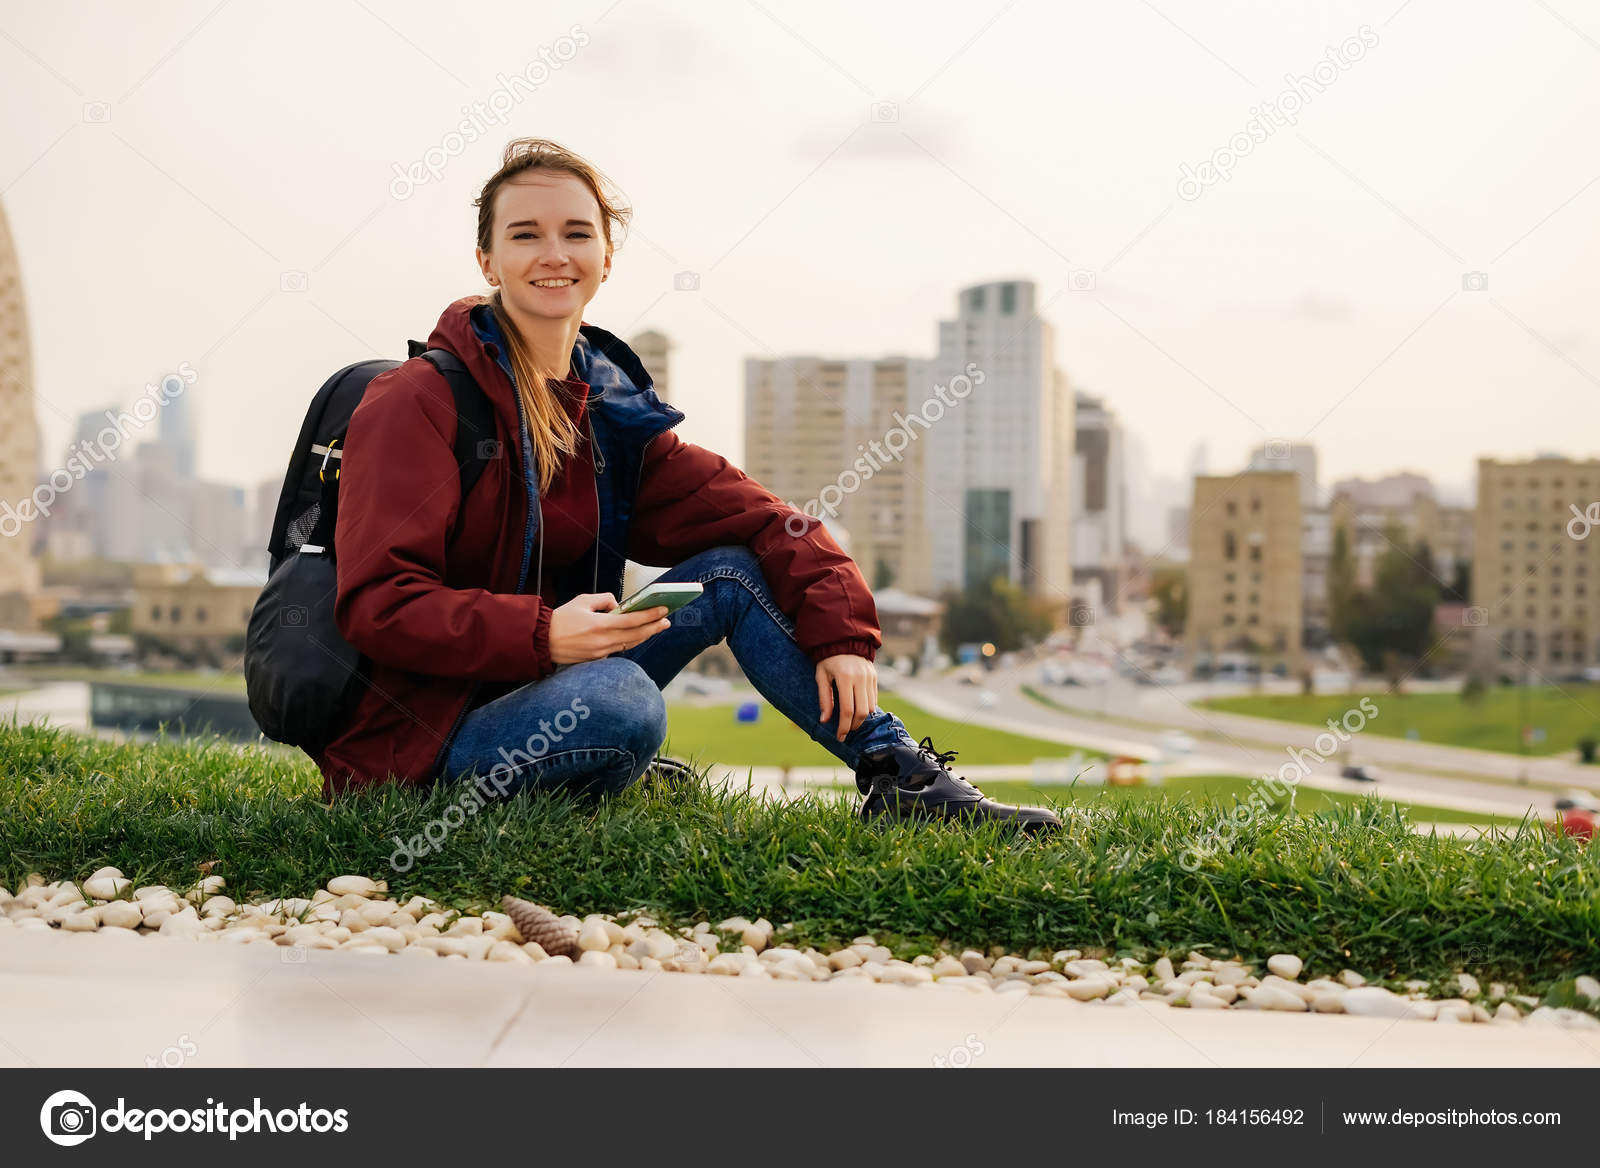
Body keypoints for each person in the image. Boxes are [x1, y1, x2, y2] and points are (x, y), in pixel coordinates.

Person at [316, 137, 1059, 835]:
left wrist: (845, 635)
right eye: (524, 235)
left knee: (733, 574)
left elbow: (769, 522)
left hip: (555, 684)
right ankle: (605, 762)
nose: (554, 254)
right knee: (620, 700)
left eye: (577, 233)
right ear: (487, 260)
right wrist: (542, 635)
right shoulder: (417, 401)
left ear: (606, 259)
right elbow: (379, 605)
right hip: (424, 746)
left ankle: (901, 778)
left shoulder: (606, 414)